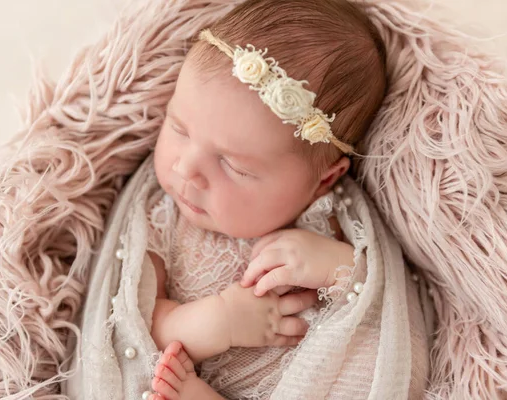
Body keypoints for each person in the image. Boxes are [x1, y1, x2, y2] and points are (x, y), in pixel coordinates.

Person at [141, 0, 391, 398]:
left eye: (234, 166)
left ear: (323, 180)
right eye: (179, 128)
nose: (186, 169)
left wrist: (340, 266)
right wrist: (218, 321)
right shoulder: (161, 218)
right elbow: (136, 321)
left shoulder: (330, 218)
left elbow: (387, 308)